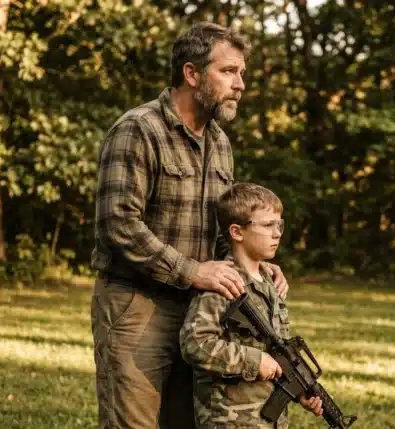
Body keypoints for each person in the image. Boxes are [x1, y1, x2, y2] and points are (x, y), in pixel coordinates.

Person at [90, 23, 289, 429]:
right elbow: (119, 223)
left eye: (242, 73)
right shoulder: (138, 129)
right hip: (136, 305)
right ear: (191, 73)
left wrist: (249, 264)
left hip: (198, 310)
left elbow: (222, 232)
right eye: (229, 71)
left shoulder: (219, 142)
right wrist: (192, 271)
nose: (241, 84)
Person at [180, 183, 323, 429]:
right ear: (237, 232)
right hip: (229, 420)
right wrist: (253, 361)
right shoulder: (223, 282)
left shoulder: (271, 283)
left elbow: (278, 353)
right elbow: (195, 343)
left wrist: (299, 391)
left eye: (279, 224)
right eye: (267, 225)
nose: (277, 233)